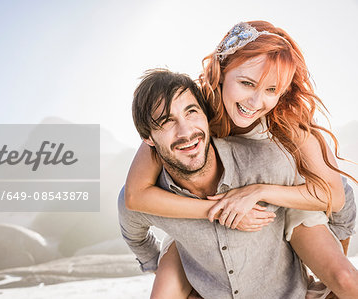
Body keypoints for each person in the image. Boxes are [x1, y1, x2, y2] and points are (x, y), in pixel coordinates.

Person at [124, 21, 358, 298]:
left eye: (272, 90)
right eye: (247, 83)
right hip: (209, 207)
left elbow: (335, 194)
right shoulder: (190, 111)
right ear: (221, 72)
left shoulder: (287, 122)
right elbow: (135, 196)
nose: (256, 102)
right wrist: (221, 209)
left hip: (290, 196)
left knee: (343, 280)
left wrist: (257, 191)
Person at [118, 68, 309, 298]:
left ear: (206, 116)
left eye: (191, 112)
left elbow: (336, 195)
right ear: (148, 138)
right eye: (167, 121)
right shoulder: (146, 198)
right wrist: (163, 270)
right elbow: (135, 234)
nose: (186, 131)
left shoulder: (265, 163)